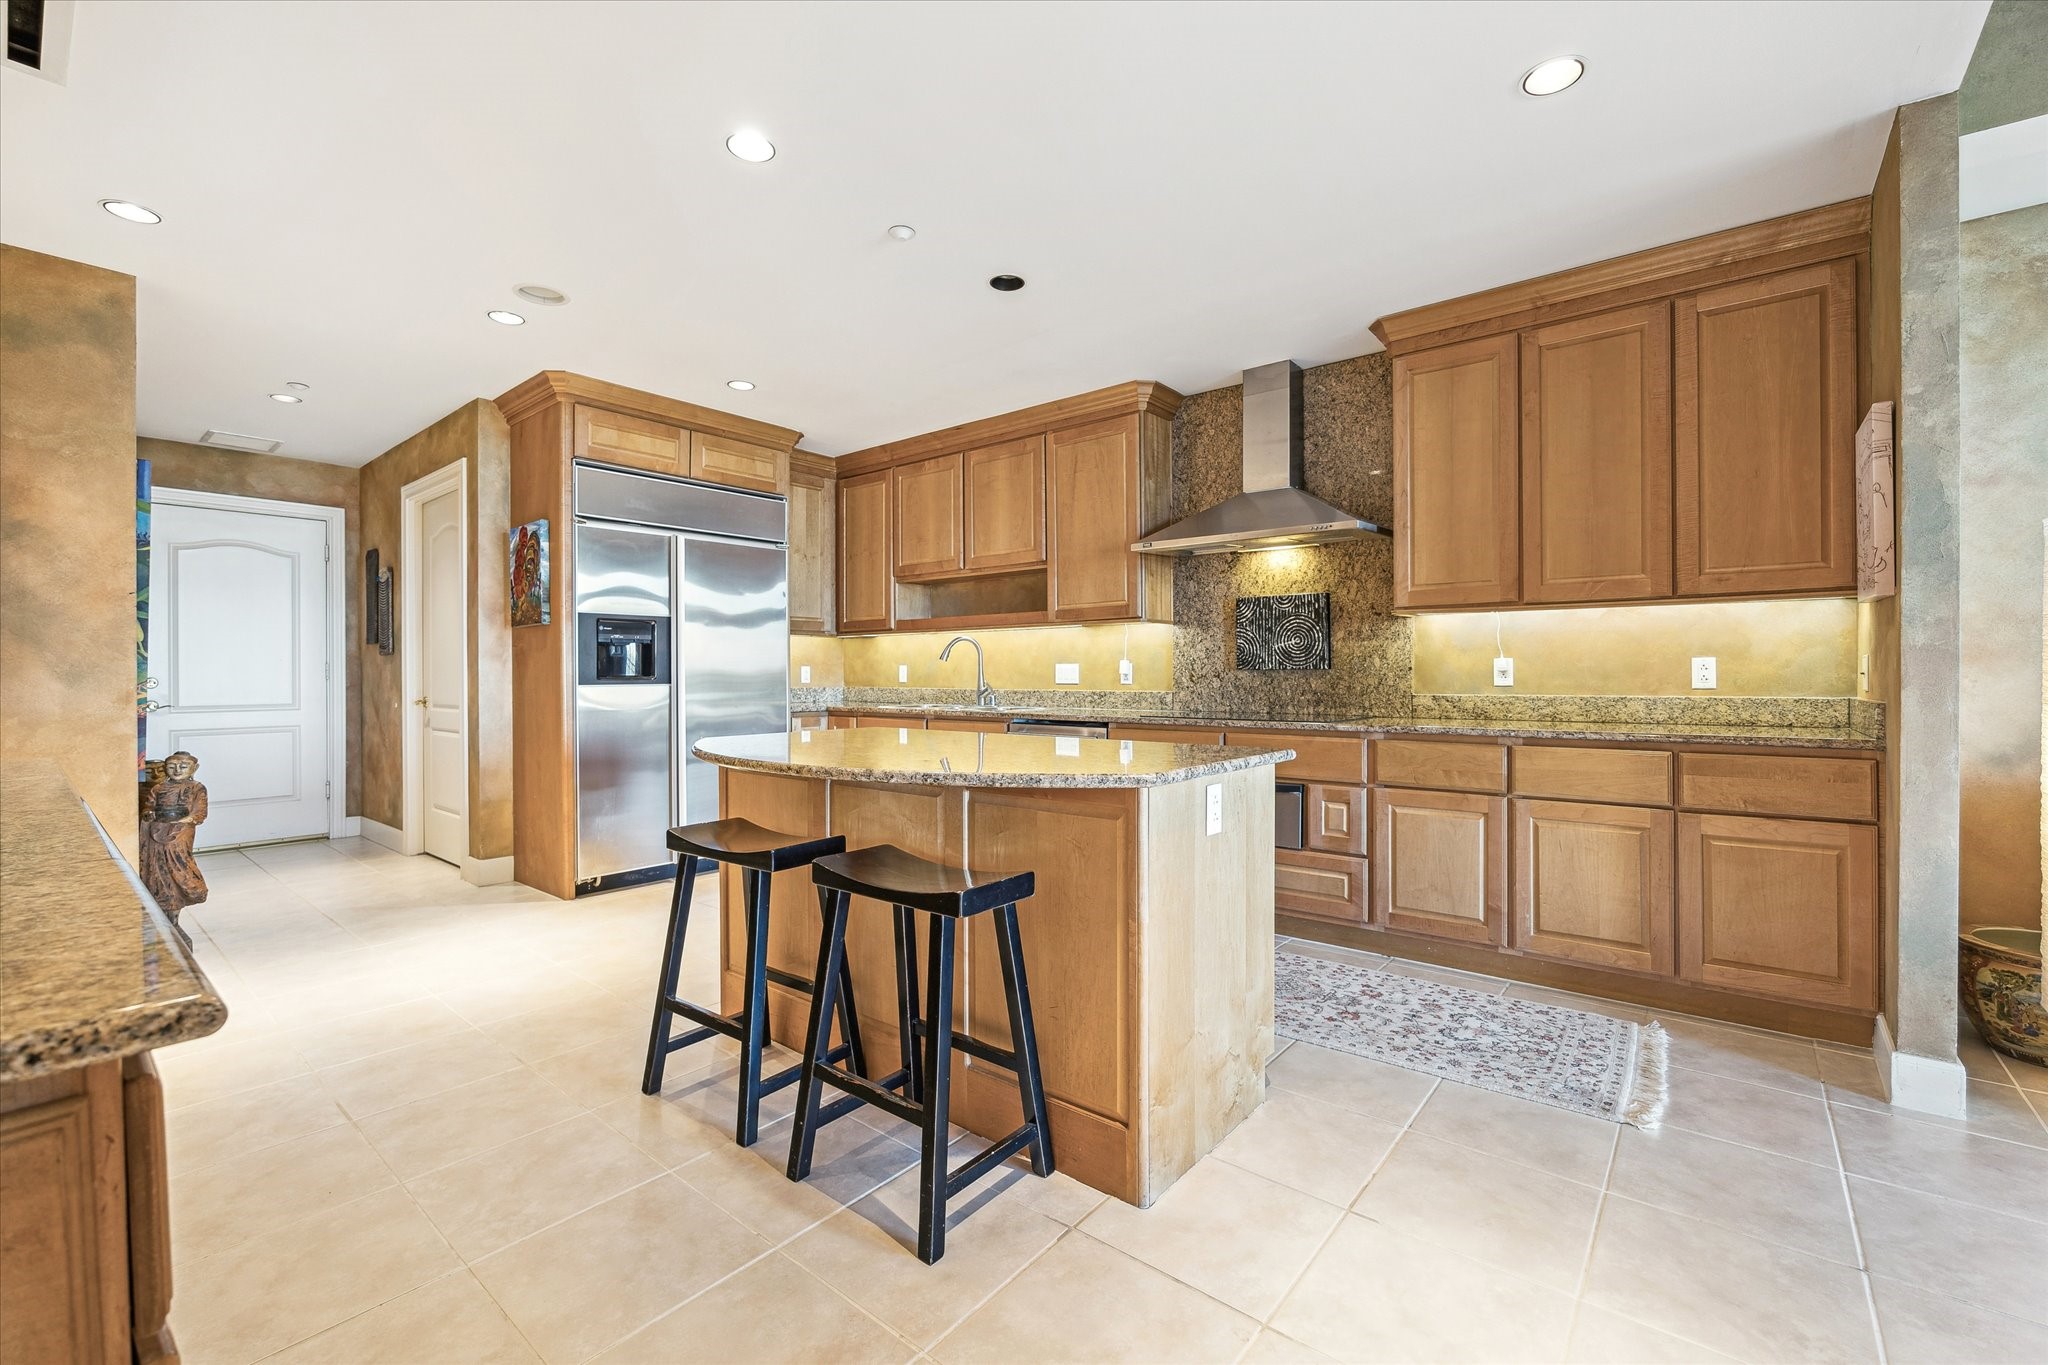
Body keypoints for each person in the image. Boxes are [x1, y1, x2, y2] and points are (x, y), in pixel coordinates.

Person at [140, 750, 208, 938]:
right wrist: (150, 814)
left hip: (180, 834)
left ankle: (181, 901)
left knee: (178, 865)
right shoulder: (159, 788)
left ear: (195, 768)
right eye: (172, 766)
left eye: (183, 766)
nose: (177, 770)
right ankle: (163, 910)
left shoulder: (196, 788)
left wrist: (182, 820)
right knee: (157, 869)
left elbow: (199, 813)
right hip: (157, 831)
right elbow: (149, 807)